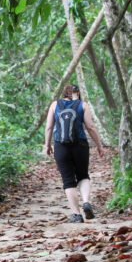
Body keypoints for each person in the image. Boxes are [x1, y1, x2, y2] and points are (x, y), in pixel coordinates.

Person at [42, 84, 104, 223]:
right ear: (78, 93)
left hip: (61, 146)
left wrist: (47, 145)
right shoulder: (83, 105)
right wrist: (99, 145)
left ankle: (76, 215)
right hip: (80, 145)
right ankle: (86, 202)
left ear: (63, 93)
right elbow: (90, 127)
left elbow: (49, 127)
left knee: (68, 180)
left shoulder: (54, 105)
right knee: (83, 175)